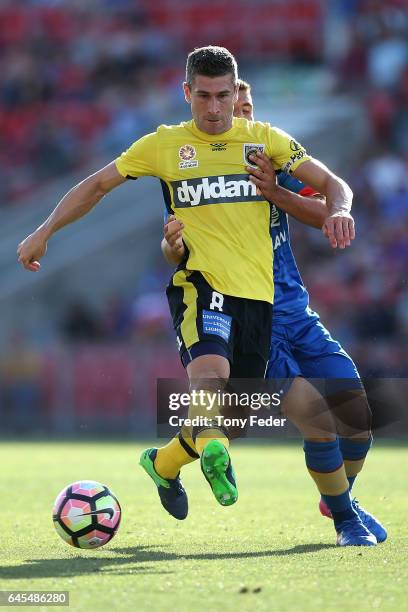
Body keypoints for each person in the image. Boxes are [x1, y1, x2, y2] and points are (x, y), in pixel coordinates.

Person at [17, 46, 370, 546]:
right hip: (200, 288)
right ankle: (220, 456)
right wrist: (44, 230)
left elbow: (331, 183)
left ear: (235, 92)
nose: (214, 108)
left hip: (259, 304)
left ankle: (166, 462)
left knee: (233, 415)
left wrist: (340, 209)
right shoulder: (164, 145)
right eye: (203, 96)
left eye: (223, 95)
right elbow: (97, 185)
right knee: (210, 378)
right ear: (187, 93)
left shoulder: (263, 141)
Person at [154, 79, 385, 546]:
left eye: (248, 108)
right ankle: (346, 521)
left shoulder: (272, 158)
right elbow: (173, 247)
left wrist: (288, 196)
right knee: (314, 418)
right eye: (233, 110)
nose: (242, 118)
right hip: (249, 318)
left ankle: (163, 464)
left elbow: (328, 201)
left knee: (356, 420)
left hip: (297, 313)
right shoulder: (204, 174)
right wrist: (170, 245)